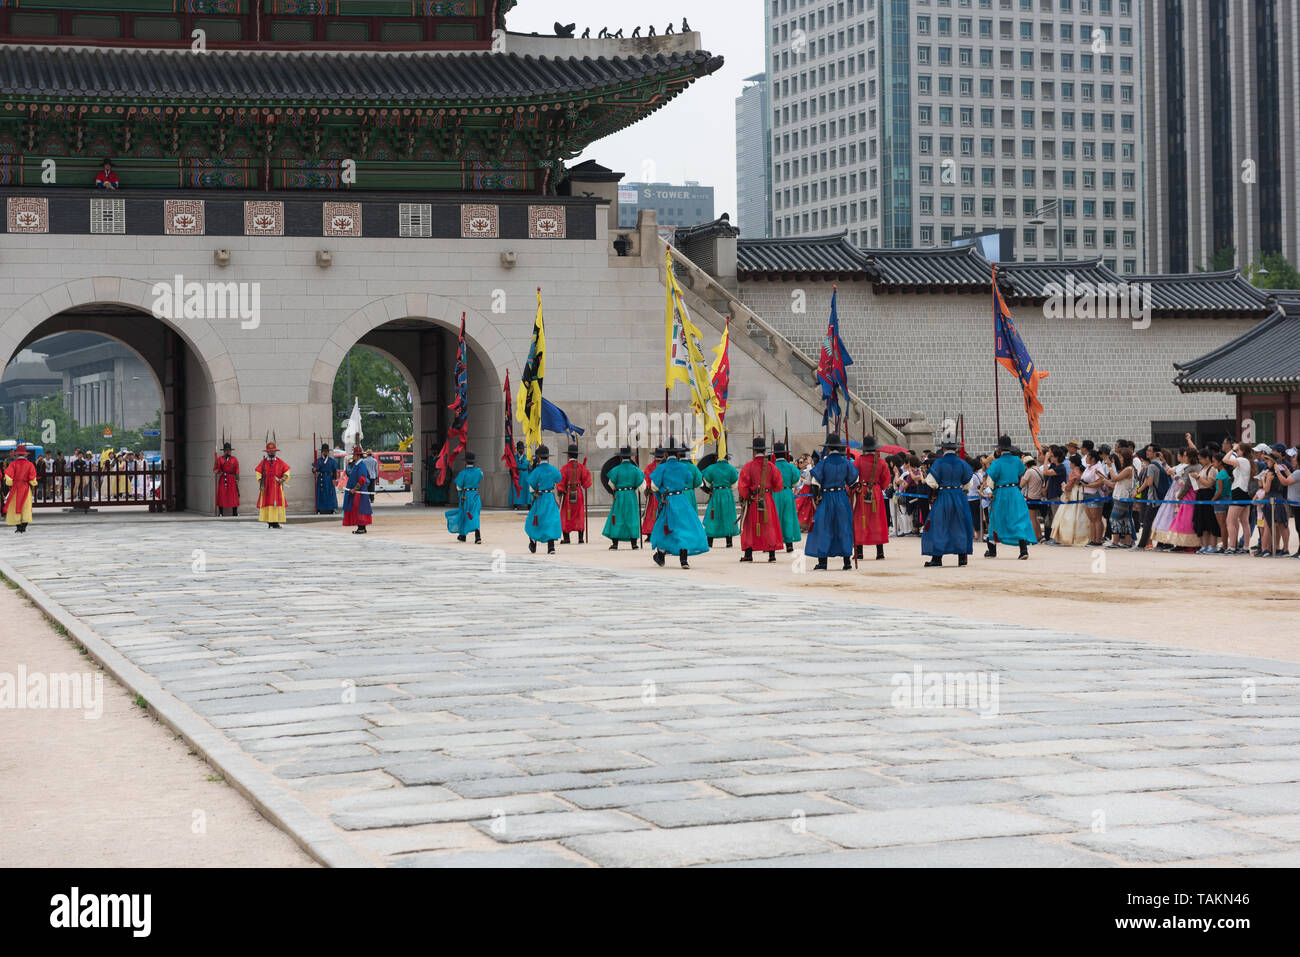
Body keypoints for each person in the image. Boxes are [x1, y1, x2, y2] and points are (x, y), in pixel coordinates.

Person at [648, 440, 710, 569]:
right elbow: (689, 479)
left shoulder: (661, 467)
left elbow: (653, 486)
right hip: (681, 500)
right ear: (678, 454)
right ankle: (683, 559)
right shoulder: (684, 467)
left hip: (668, 501)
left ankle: (661, 555)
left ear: (665, 454)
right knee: (684, 528)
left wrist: (663, 490)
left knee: (664, 528)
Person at [804, 434, 857, 571]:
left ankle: (823, 562)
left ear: (828, 448)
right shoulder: (846, 462)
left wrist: (816, 498)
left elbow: (813, 481)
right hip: (841, 497)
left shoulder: (823, 463)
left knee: (824, 527)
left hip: (827, 497)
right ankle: (847, 562)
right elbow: (854, 481)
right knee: (844, 527)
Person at [922, 439, 975, 567]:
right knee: (960, 525)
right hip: (959, 495)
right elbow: (969, 483)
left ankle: (937, 558)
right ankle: (962, 557)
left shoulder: (938, 463)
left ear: (943, 449)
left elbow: (931, 482)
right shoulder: (962, 463)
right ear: (956, 449)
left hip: (944, 496)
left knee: (939, 525)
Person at [983, 436, 1036, 560]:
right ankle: (1023, 550)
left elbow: (990, 481)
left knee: (996, 519)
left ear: (999, 449)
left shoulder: (996, 462)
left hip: (1001, 492)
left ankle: (992, 550)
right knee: (1018, 519)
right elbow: (1021, 472)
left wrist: (989, 492)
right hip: (1015, 491)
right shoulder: (1017, 460)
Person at [737, 437, 784, 563]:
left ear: (753, 451)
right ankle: (771, 554)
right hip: (767, 498)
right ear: (764, 451)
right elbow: (779, 484)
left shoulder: (748, 467)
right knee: (769, 525)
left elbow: (742, 487)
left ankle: (748, 554)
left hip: (753, 499)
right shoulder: (771, 466)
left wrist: (747, 496)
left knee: (750, 526)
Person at [852, 435, 891, 562]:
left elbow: (852, 476)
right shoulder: (881, 462)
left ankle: (859, 552)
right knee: (877, 521)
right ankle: (880, 552)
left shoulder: (858, 460)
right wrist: (880, 487)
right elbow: (886, 479)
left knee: (860, 520)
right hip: (876, 492)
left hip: (862, 491)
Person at [603, 447, 645, 550]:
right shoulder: (635, 469)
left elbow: (611, 484)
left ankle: (615, 543)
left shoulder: (616, 469)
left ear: (621, 457)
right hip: (631, 495)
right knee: (632, 517)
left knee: (617, 517)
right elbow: (642, 487)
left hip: (620, 495)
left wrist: (617, 489)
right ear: (630, 457)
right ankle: (634, 543)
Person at [525, 445, 562, 554]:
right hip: (550, 497)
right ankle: (551, 547)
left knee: (535, 520)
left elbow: (531, 488)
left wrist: (534, 492)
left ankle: (533, 543)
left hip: (540, 498)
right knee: (550, 520)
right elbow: (558, 479)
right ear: (548, 457)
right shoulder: (553, 469)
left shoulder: (536, 471)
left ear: (539, 458)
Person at [700, 452, 740, 548]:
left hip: (716, 494)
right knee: (728, 516)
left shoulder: (711, 468)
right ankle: (729, 541)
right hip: (727, 494)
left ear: (717, 457)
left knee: (713, 516)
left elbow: (706, 482)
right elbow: (734, 485)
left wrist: (711, 488)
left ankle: (710, 541)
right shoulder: (731, 469)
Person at [558, 443, 593, 545]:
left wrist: (561, 490)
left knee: (566, 514)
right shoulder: (581, 467)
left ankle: (566, 538)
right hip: (578, 492)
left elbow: (560, 482)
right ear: (577, 455)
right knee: (579, 514)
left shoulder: (564, 468)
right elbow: (587, 483)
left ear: (568, 455)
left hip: (568, 493)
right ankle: (580, 538)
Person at [772, 442, 802, 554]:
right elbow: (796, 480)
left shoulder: (772, 466)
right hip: (788, 492)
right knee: (788, 517)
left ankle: (774, 542)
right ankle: (789, 544)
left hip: (775, 493)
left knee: (775, 518)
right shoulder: (790, 466)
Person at [447, 451, 482, 544]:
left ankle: (463, 535)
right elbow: (481, 476)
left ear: (465, 462)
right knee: (475, 514)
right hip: (475, 494)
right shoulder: (479, 471)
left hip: (466, 495)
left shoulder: (462, 473)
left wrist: (460, 492)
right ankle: (477, 535)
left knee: (464, 513)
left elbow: (458, 486)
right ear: (474, 462)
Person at [3, 445, 38, 534]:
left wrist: (11, 483)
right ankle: (24, 526)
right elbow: (33, 479)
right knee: (26, 507)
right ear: (25, 455)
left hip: (15, 488)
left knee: (15, 506)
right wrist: (34, 483)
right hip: (25, 488)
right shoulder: (30, 464)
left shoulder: (13, 464)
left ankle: (18, 527)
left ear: (17, 454)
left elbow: (7, 476)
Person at [255, 441, 290, 528]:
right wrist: (261, 482)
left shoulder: (280, 461)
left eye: (273, 451)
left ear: (275, 451)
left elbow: (286, 471)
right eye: (270, 451)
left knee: (276, 504)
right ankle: (270, 521)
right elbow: (258, 472)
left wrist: (283, 479)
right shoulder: (263, 462)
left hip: (277, 486)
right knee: (268, 503)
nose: (271, 452)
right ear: (267, 452)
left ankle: (275, 522)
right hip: (267, 487)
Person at [342, 446, 373, 535]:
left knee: (360, 509)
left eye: (354, 455)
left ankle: (362, 527)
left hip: (359, 492)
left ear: (358, 456)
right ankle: (360, 527)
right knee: (357, 509)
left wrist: (355, 489)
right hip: (355, 491)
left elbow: (362, 479)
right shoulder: (357, 464)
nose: (353, 457)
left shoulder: (361, 465)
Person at [641, 447, 666, 543]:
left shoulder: (650, 467)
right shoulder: (663, 466)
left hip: (653, 494)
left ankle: (650, 534)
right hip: (661, 494)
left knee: (651, 514)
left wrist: (648, 488)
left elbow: (646, 479)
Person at [214, 441, 240, 517]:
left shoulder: (234, 459)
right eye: (226, 450)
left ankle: (234, 512)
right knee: (222, 494)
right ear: (224, 451)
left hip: (232, 478)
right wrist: (217, 469)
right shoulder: (220, 459)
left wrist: (237, 478)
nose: (228, 452)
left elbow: (237, 469)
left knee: (233, 495)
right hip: (223, 478)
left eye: (229, 450)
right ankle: (221, 512)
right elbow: (217, 470)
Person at [312, 444, 338, 515]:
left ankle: (332, 508)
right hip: (321, 479)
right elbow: (315, 470)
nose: (325, 452)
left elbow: (334, 471)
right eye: (324, 451)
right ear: (322, 452)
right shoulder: (319, 461)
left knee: (330, 493)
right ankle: (320, 508)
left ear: (328, 452)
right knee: (321, 493)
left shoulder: (332, 461)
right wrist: (314, 470)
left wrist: (334, 479)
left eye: (326, 451)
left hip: (330, 479)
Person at [509, 441, 531, 510]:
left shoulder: (527, 457)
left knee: (527, 489)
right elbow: (511, 467)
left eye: (522, 448)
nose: (521, 450)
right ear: (517, 449)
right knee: (516, 489)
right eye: (519, 448)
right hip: (517, 475)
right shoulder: (514, 457)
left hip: (525, 475)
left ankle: (528, 504)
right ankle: (516, 504)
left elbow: (530, 467)